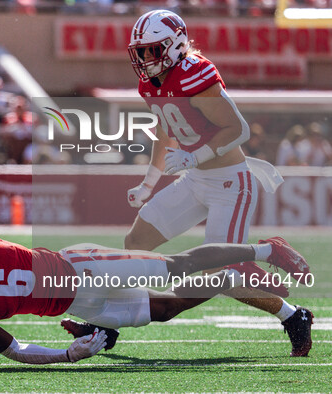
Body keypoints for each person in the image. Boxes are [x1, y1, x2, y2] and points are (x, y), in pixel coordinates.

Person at [0, 188, 312, 364]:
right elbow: (14, 348)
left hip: (83, 268)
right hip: (80, 301)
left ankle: (266, 249)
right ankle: (241, 286)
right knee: (167, 308)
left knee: (179, 265)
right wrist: (65, 355)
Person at [123, 9, 312, 356]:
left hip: (229, 183)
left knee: (218, 275)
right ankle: (108, 322)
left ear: (175, 44)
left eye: (151, 50)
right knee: (136, 239)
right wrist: (149, 182)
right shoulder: (151, 83)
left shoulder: (195, 73)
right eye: (140, 51)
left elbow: (237, 129)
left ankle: (293, 316)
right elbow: (164, 128)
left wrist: (194, 157)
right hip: (195, 178)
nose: (144, 59)